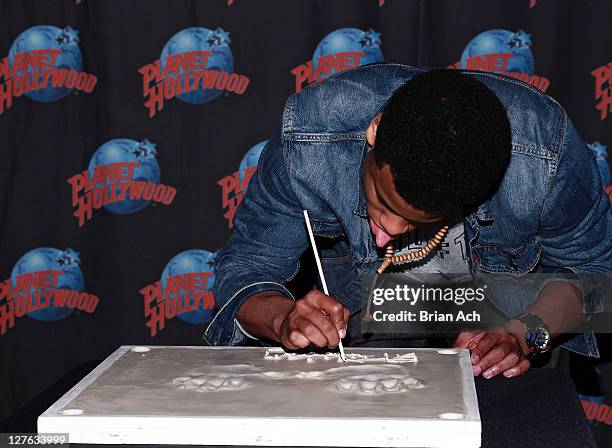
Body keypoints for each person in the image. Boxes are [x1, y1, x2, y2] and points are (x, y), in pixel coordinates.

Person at [205, 65, 611, 379]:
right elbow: (245, 268)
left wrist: (525, 336)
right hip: (361, 323)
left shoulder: (543, 159)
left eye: (424, 220)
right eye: (382, 200)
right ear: (375, 130)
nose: (388, 235)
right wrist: (283, 318)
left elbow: (600, 281)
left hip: (505, 324)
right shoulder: (312, 140)